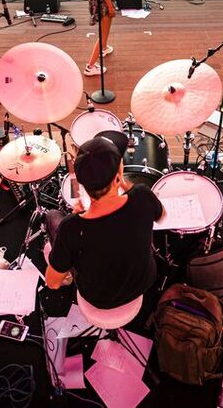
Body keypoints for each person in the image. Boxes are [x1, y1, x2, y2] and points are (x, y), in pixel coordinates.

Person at [45, 131, 164, 311]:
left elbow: (52, 284)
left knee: (53, 216)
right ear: (119, 172)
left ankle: (66, 271)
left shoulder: (71, 227)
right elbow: (161, 215)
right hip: (144, 281)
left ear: (83, 184)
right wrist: (123, 183)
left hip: (99, 298)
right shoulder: (142, 196)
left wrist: (78, 218)